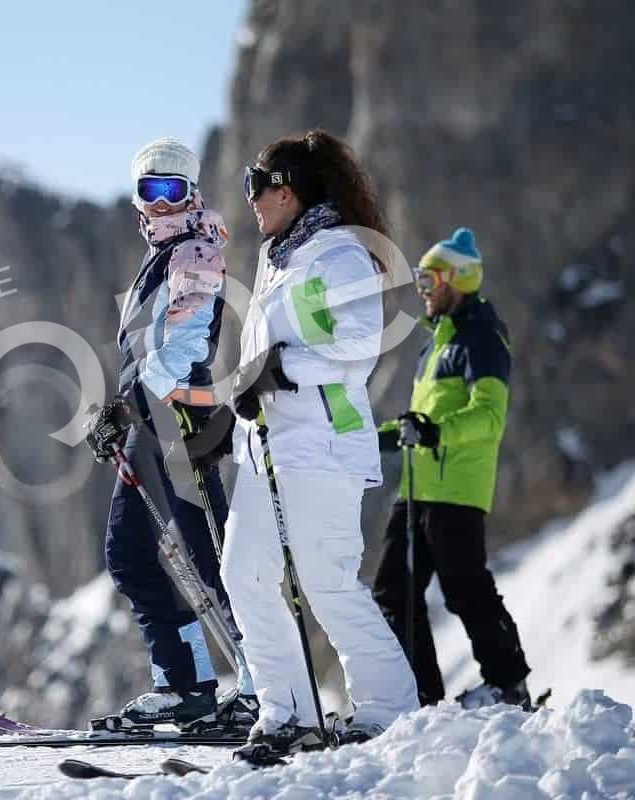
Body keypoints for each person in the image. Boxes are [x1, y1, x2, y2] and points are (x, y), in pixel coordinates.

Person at [222, 129, 418, 756]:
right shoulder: (280, 258)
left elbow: (360, 342)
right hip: (269, 450)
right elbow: (261, 362)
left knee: (327, 581)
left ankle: (389, 712)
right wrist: (237, 403)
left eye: (258, 185)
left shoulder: (337, 255)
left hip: (323, 445)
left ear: (292, 190)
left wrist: (282, 369)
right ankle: (289, 714)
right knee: (244, 573)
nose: (250, 198)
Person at [84, 137, 254, 731]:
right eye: (149, 190)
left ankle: (262, 684)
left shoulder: (195, 255)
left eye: (172, 190)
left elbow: (184, 347)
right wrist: (125, 412)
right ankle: (184, 684)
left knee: (209, 555)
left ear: (191, 193)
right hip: (148, 426)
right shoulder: (158, 260)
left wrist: (128, 408)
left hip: (179, 423)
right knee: (130, 556)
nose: (160, 203)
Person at [373, 227, 531, 709]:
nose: (423, 291)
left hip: (457, 487)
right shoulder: (435, 343)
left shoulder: (481, 335)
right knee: (392, 592)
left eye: (430, 281)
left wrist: (435, 432)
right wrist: (375, 438)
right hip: (417, 487)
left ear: (459, 280)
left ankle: (508, 685)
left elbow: (489, 415)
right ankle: (421, 698)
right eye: (420, 281)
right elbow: (423, 418)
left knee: (465, 588)